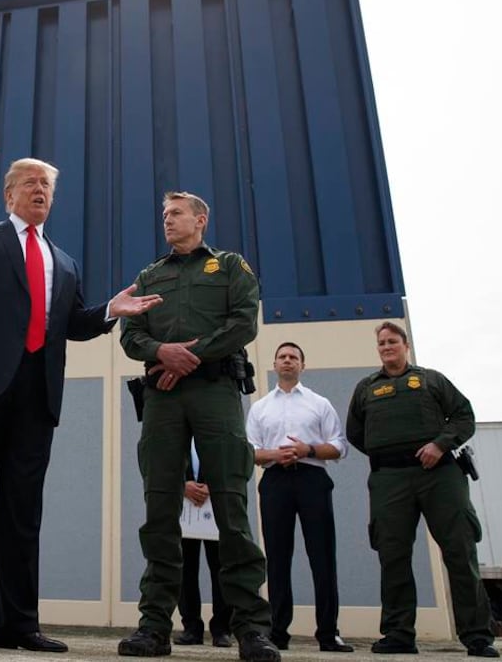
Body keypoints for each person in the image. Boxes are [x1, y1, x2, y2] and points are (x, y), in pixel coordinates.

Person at [0, 158, 162, 654]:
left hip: (36, 395)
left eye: (47, 185)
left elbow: (75, 324)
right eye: (31, 183)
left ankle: (18, 625)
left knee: (23, 515)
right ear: (10, 194)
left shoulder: (64, 261)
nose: (40, 190)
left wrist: (111, 310)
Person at [117, 191, 279, 662]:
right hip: (163, 396)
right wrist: (159, 353)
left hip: (215, 391)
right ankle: (154, 628)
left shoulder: (229, 266)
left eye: (176, 213)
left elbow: (244, 323)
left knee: (231, 505)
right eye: (164, 215)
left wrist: (189, 356)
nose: (167, 220)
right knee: (161, 507)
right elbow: (131, 334)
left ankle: (251, 629)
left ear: (201, 219)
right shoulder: (150, 275)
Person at [346, 321, 498, 658]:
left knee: (460, 551)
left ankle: (477, 637)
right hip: (390, 479)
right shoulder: (366, 388)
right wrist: (388, 453)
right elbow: (357, 434)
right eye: (382, 343)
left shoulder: (431, 380)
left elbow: (464, 417)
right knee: (393, 555)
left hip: (439, 476)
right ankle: (399, 634)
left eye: (393, 342)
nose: (387, 347)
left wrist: (440, 445)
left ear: (406, 345)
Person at [246, 342, 353, 653]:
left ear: (302, 365)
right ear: (275, 365)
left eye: (294, 357)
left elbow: (339, 446)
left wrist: (307, 449)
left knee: (322, 556)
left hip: (312, 478)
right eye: (283, 357)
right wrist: (276, 454)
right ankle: (277, 632)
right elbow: (250, 451)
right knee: (277, 558)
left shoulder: (319, 404)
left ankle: (328, 633)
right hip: (276, 480)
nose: (288, 361)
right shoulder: (260, 407)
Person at [174, 440, 234, 649]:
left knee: (221, 567)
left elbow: (233, 458)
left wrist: (216, 485)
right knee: (185, 568)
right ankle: (191, 627)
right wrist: (183, 484)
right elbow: (165, 460)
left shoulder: (214, 427)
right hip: (185, 508)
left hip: (215, 503)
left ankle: (222, 629)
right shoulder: (177, 428)